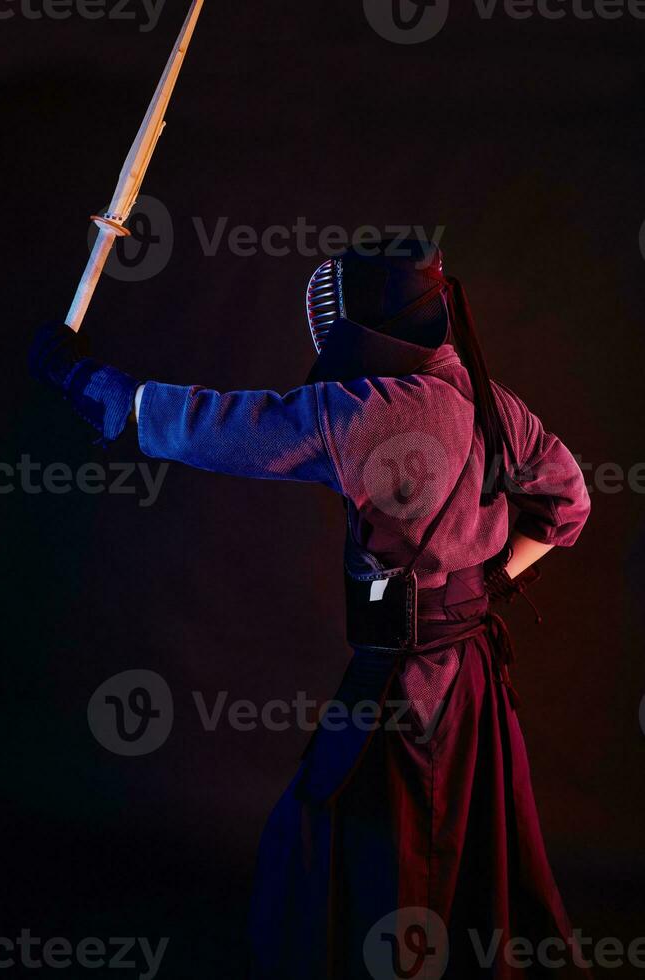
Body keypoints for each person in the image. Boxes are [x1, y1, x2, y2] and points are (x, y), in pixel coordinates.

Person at [30, 239, 592, 979]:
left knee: (394, 866)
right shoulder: (491, 402)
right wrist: (486, 584)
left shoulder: (368, 414)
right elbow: (569, 503)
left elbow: (215, 426)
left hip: (417, 700)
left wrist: (88, 381)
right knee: (455, 863)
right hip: (474, 685)